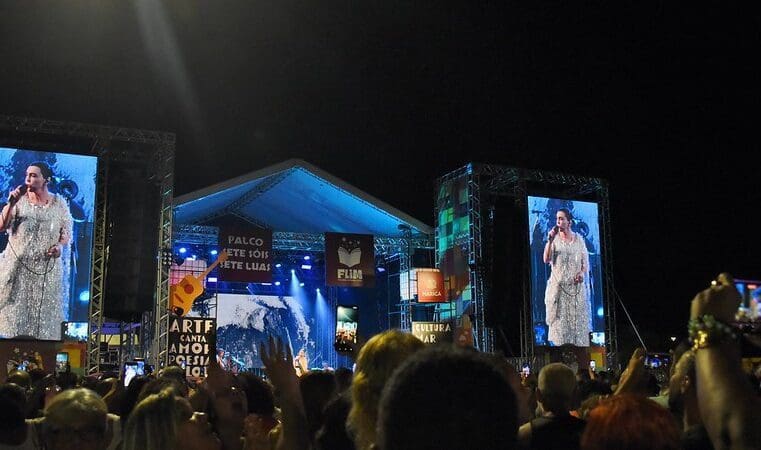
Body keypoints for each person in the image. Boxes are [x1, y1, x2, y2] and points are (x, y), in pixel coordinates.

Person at [0, 162, 73, 340]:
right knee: (14, 315)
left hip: (46, 271)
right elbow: (2, 226)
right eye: (28, 174)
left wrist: (59, 247)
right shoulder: (19, 201)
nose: (28, 178)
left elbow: (66, 231)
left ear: (45, 179)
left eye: (34, 175)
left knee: (43, 320)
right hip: (18, 268)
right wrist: (11, 203)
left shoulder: (59, 203)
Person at [542, 208, 591, 346]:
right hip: (559, 290)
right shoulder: (554, 240)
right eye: (557, 218)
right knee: (560, 330)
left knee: (577, 330)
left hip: (576, 291)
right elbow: (546, 259)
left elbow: (585, 263)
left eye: (562, 218)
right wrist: (550, 241)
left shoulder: (579, 239)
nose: (558, 221)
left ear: (569, 222)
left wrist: (581, 273)